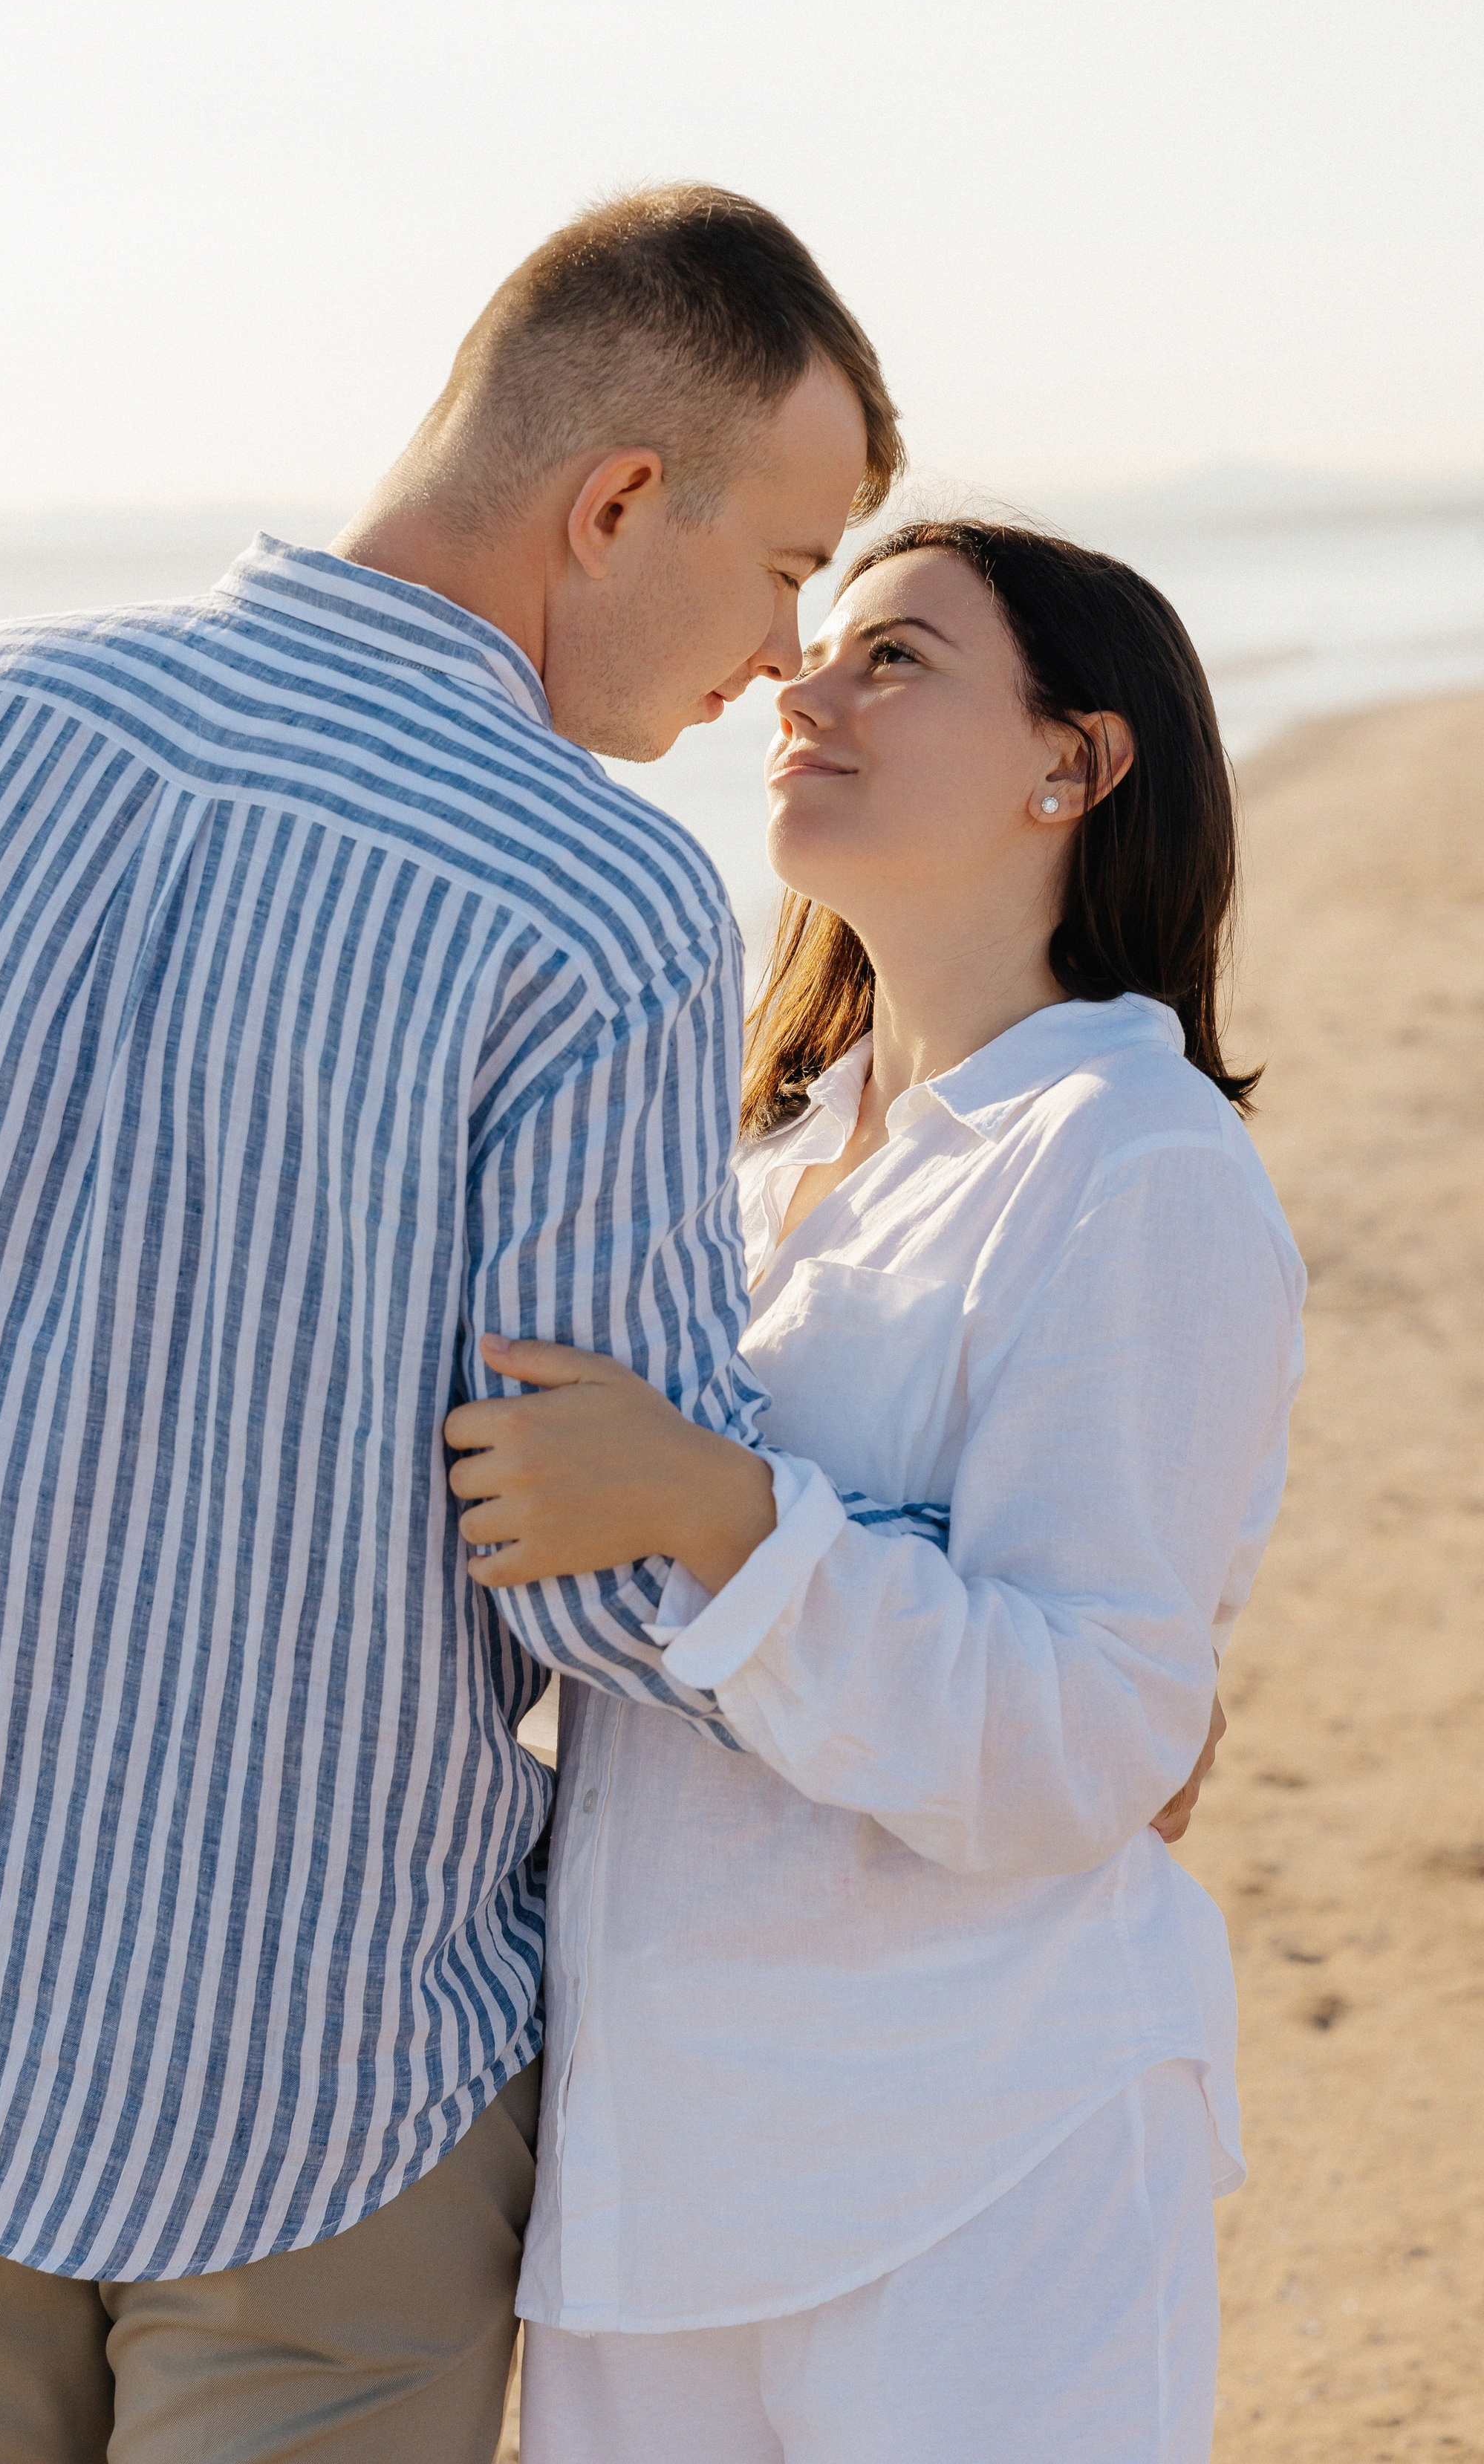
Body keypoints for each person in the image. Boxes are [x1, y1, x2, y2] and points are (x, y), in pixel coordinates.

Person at [0, 184, 909, 2463]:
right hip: (320, 2093)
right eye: (790, 568)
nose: (783, 661)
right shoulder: (597, 900)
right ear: (621, 499)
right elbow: (603, 1570)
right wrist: (955, 1610)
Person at [446, 521, 1304, 2464]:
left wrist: (718, 1511)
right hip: (654, 2182)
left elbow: (1090, 1739)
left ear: (1072, 761)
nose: (799, 689)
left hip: (975, 2157)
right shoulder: (741, 1167)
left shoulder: (1132, 1161)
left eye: (894, 657)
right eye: (816, 645)